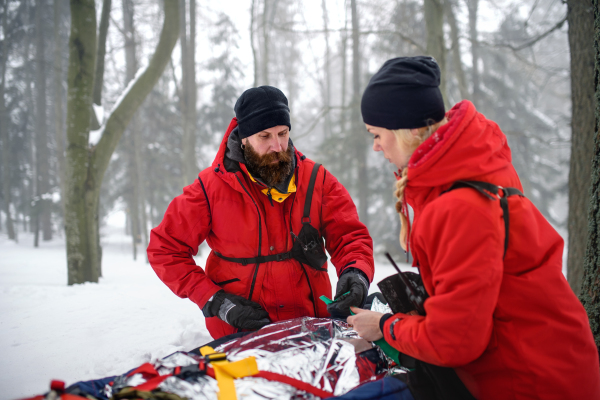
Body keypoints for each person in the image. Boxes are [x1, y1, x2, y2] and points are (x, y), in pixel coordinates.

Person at [347, 56, 600, 399]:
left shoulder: (459, 205)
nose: (376, 146)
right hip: (546, 361)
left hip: (531, 379)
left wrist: (385, 327)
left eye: (377, 134)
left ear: (407, 131)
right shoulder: (466, 174)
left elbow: (455, 341)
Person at [148, 86, 374, 339]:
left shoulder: (317, 180)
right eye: (264, 136)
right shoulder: (210, 188)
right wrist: (215, 301)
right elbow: (165, 249)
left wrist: (356, 272)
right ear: (243, 139)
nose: (277, 146)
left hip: (311, 328)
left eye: (283, 133)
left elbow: (350, 237)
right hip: (240, 333)